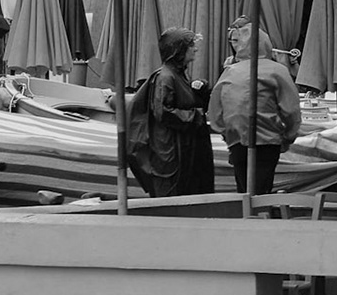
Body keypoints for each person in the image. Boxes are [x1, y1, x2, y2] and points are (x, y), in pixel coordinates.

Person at [207, 19, 302, 195]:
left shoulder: (230, 72)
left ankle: (247, 219)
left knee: (243, 191)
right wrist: (288, 137)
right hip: (268, 141)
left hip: (237, 142)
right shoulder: (278, 71)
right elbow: (291, 111)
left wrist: (228, 135)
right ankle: (261, 218)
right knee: (262, 191)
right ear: (267, 44)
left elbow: (214, 112)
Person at [129, 27, 213, 198]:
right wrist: (196, 116)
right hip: (171, 153)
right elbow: (163, 112)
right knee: (172, 196)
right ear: (179, 50)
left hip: (181, 149)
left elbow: (181, 101)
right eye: (191, 45)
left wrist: (201, 91)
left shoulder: (178, 75)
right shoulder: (166, 78)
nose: (195, 49)